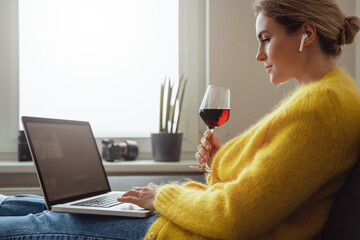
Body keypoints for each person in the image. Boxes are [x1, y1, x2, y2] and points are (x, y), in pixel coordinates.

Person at [1, 0, 360, 239]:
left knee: (43, 223)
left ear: (307, 34)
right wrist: (222, 160)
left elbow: (237, 214)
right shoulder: (331, 96)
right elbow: (269, 185)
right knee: (28, 203)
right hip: (197, 224)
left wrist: (160, 196)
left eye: (266, 39)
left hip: (184, 234)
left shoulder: (322, 108)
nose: (258, 54)